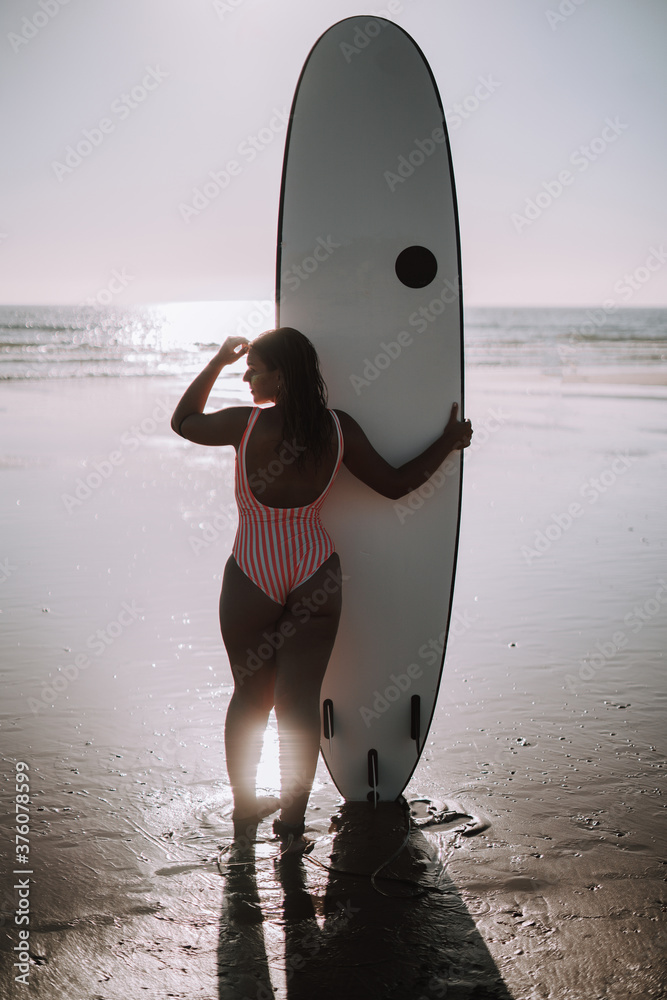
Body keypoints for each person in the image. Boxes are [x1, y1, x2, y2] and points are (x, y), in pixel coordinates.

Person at [171, 326, 472, 855]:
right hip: (314, 570)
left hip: (253, 570)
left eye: (254, 368)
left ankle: (246, 807)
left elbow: (183, 422)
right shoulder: (337, 430)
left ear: (281, 377)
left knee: (249, 695)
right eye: (242, 368)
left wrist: (217, 359)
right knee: (300, 703)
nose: (246, 375)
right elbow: (396, 485)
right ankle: (291, 821)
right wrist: (448, 442)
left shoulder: (247, 426)